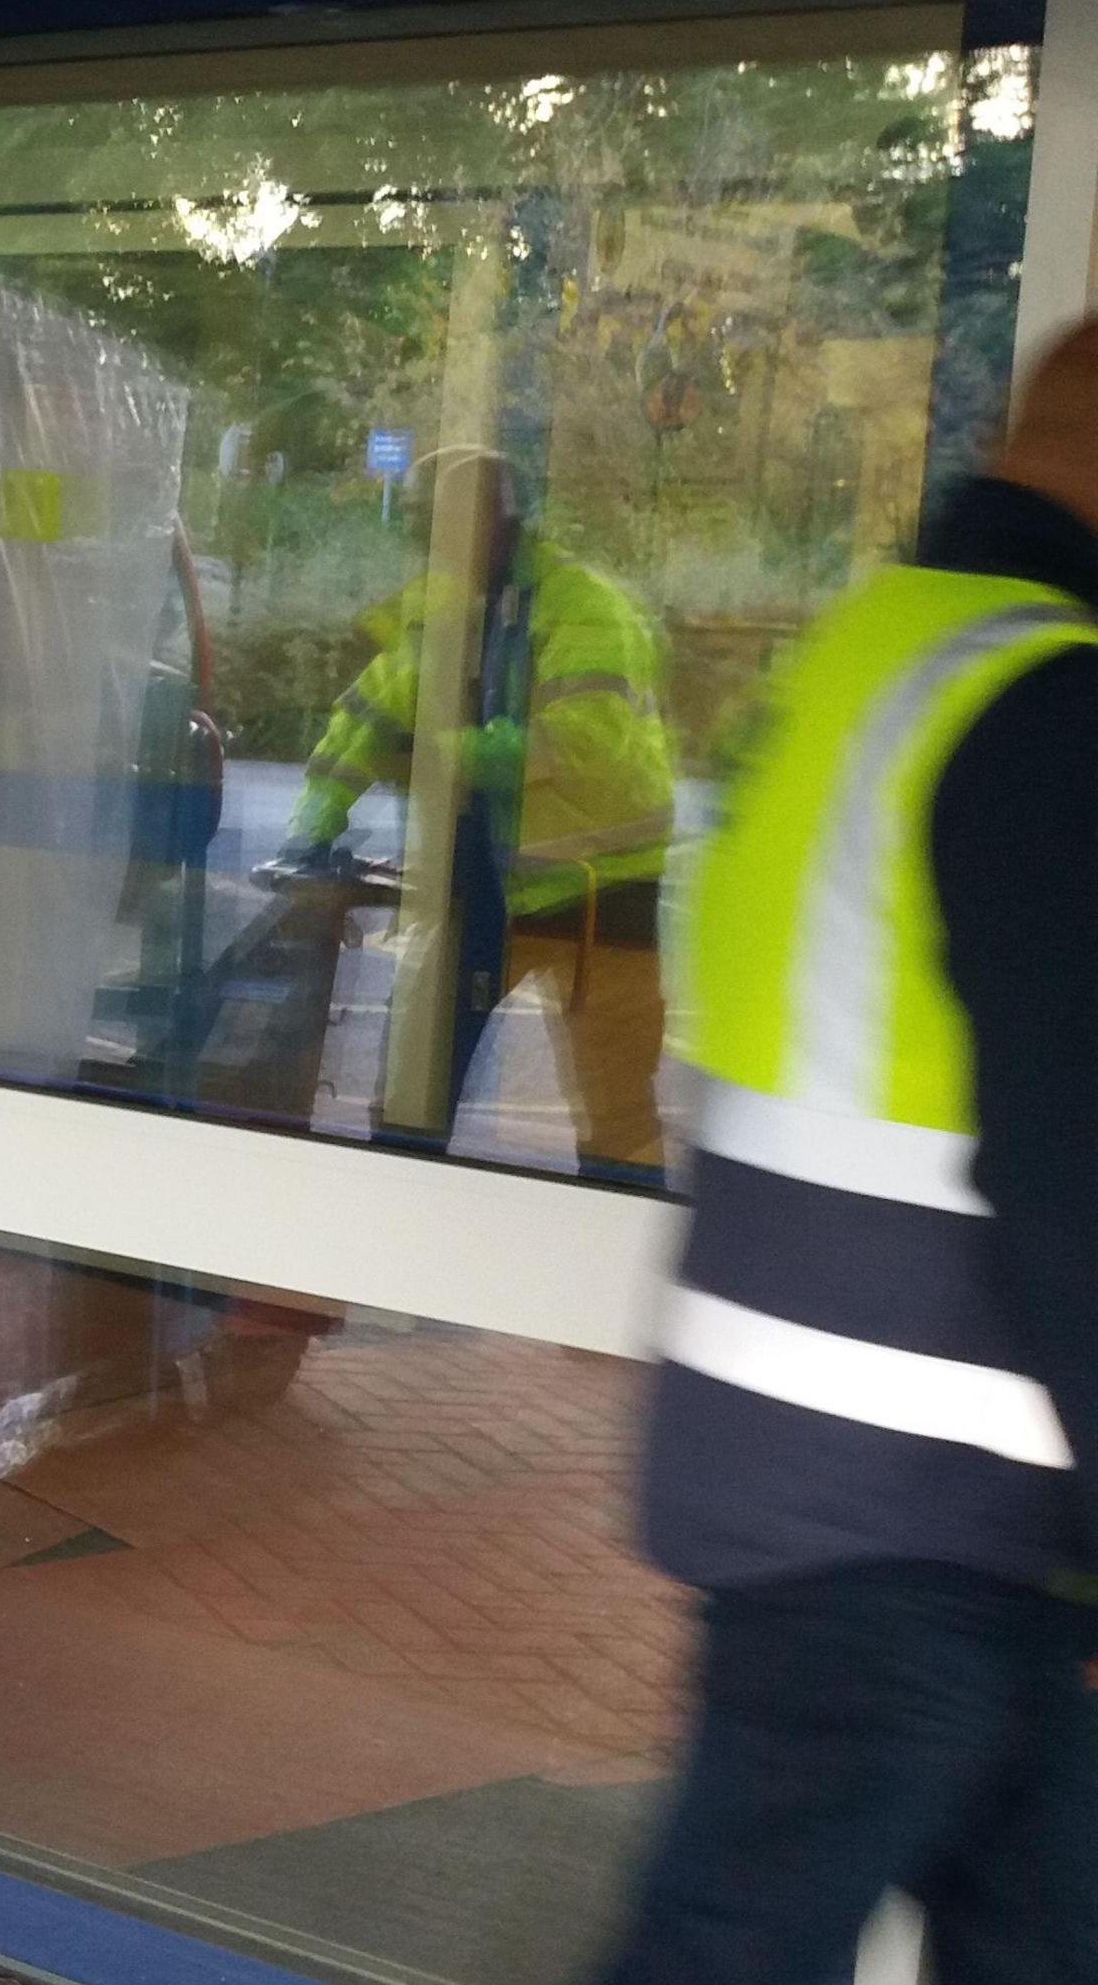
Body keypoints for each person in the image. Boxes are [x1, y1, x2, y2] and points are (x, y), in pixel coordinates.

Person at [599, 324, 1098, 1981]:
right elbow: (1077, 1159)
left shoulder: (868, 651)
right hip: (909, 1510)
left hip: (854, 1482)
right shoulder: (1043, 695)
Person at [275, 468, 678, 1179]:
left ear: (505, 521)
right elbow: (366, 719)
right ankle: (397, 1210)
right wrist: (309, 828)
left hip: (594, 890)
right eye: (429, 534)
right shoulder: (445, 609)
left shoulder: (584, 607)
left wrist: (443, 757)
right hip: (481, 886)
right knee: (416, 1085)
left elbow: (584, 740)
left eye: (453, 529)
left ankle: (613, 1232)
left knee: (614, 1105)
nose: (439, 549)